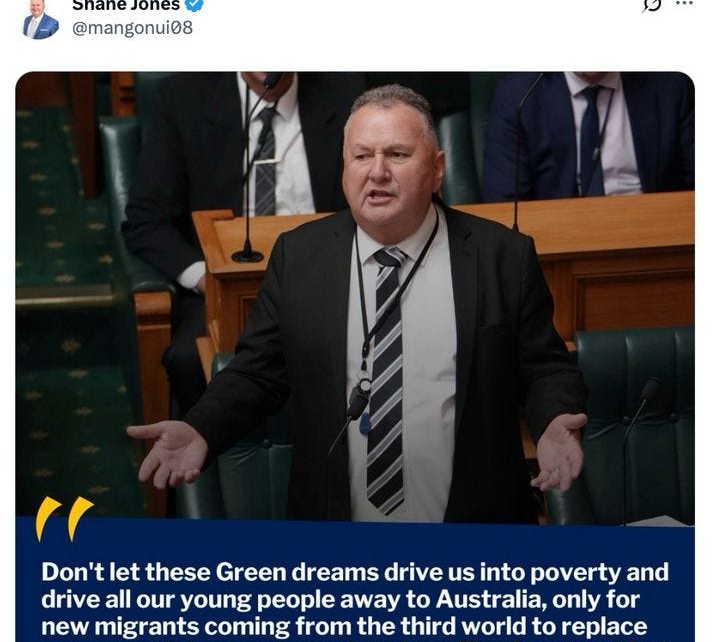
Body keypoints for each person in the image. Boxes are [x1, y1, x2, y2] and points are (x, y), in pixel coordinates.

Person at [128, 85, 587, 524]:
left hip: (474, 524)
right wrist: (201, 427)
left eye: (398, 155)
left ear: (438, 168)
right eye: (362, 155)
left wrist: (552, 421)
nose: (377, 171)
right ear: (344, 166)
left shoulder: (501, 256)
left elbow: (545, 367)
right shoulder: (300, 256)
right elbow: (256, 373)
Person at [122, 71, 366, 415]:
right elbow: (146, 221)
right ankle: (214, 460)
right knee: (189, 359)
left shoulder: (348, 92)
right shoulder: (183, 97)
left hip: (330, 279)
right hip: (225, 288)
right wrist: (208, 280)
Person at [481, 71, 694, 202]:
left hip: (652, 238)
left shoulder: (672, 86)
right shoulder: (521, 96)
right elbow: (504, 204)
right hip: (561, 246)